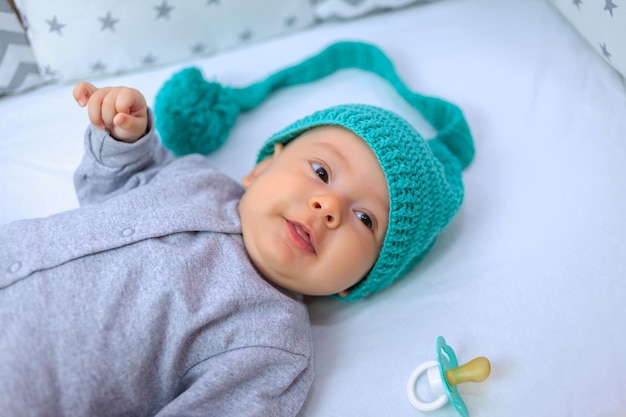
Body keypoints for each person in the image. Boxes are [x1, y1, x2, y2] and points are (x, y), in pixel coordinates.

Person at [0, 41, 474, 416]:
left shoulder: (273, 345)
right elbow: (114, 186)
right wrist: (126, 137)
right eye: (322, 172)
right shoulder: (195, 177)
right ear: (261, 169)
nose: (327, 206)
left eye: (366, 219)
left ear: (359, 281)